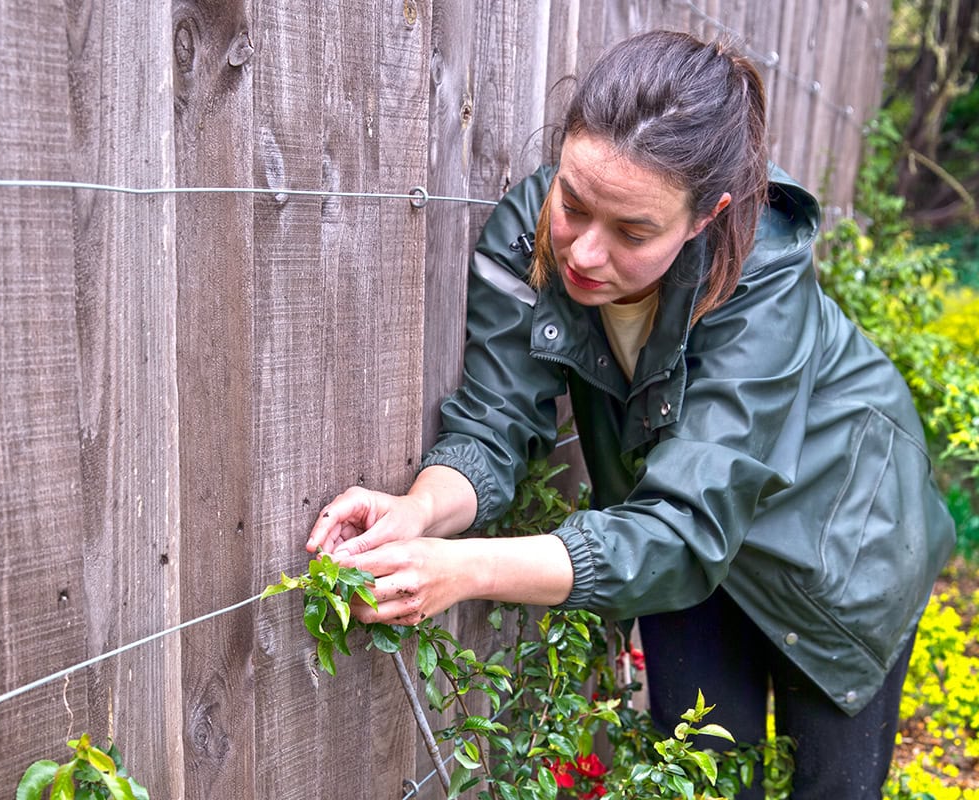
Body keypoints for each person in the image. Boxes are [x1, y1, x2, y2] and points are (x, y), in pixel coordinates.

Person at [305, 29, 955, 799]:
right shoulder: (529, 235)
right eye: (574, 203)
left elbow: (688, 527)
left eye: (634, 233)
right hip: (671, 537)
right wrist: (420, 512)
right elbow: (493, 423)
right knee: (701, 780)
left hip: (841, 541)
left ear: (705, 218)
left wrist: (469, 568)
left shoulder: (762, 269)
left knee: (834, 787)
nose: (582, 253)